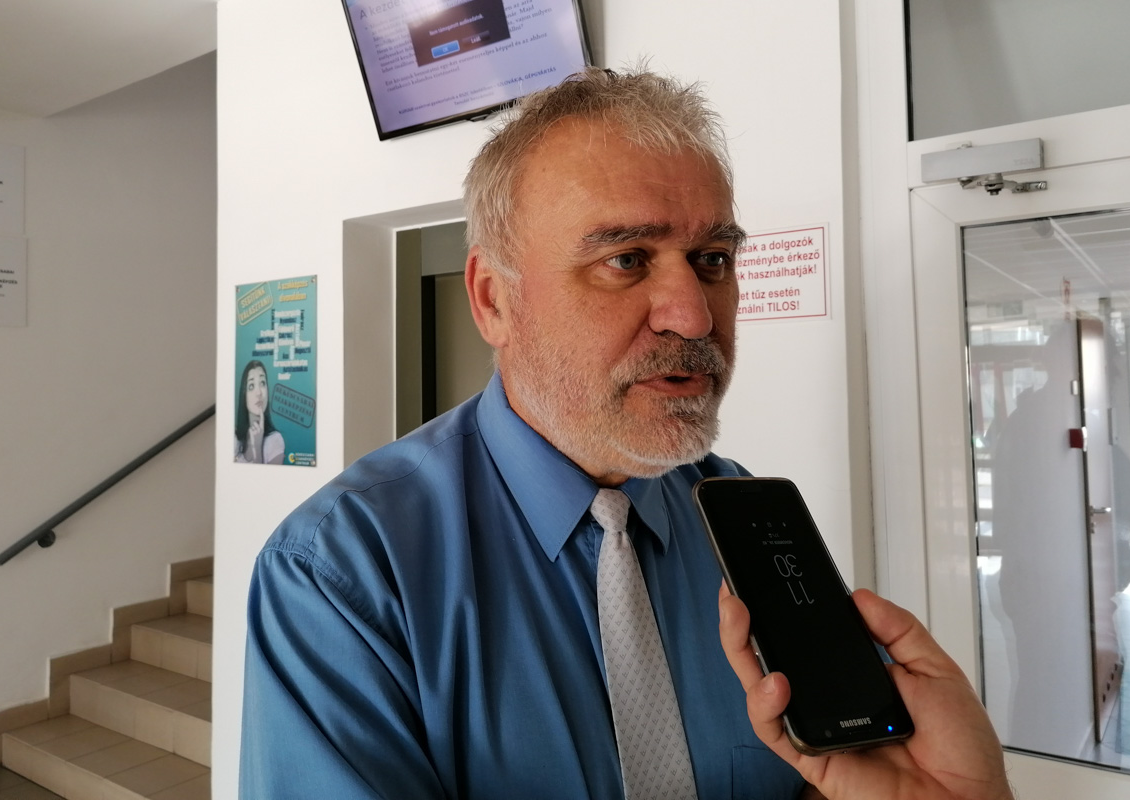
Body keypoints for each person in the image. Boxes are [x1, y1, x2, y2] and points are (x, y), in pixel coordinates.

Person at [240, 67, 1013, 800]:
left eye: (712, 259)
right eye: (627, 259)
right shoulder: (343, 572)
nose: (695, 315)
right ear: (492, 300)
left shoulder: (739, 517)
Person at [234, 359, 285, 464]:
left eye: (262, 383)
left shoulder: (275, 441)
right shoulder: (234, 438)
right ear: (244, 395)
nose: (259, 393)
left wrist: (257, 447)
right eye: (251, 386)